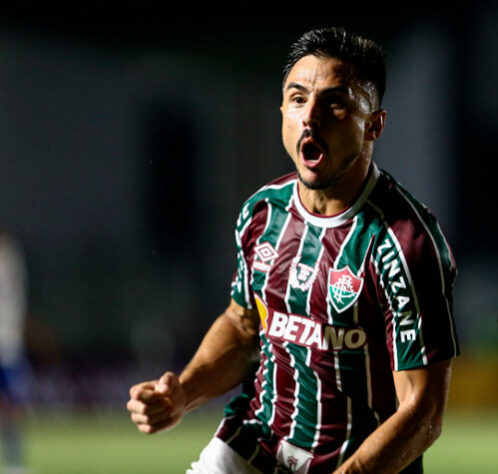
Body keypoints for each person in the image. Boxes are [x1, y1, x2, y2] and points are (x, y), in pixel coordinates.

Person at [127, 27, 459, 474]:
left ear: (373, 126)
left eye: (334, 103)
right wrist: (182, 393)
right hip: (255, 445)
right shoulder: (263, 213)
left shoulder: (404, 243)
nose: (311, 117)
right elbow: (243, 327)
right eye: (298, 99)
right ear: (282, 110)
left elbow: (422, 413)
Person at [0, 230, 29, 474]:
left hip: (6, 342)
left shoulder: (8, 258)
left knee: (10, 405)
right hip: (8, 342)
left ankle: (14, 460)